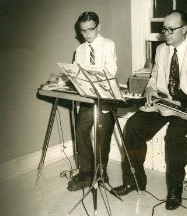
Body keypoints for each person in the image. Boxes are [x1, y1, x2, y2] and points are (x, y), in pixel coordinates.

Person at [113, 10, 187, 210]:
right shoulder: (161, 50)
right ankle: (134, 181)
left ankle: (175, 189)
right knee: (133, 125)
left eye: (172, 29)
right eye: (165, 29)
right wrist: (151, 90)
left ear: (185, 29)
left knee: (174, 137)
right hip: (164, 101)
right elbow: (154, 78)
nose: (167, 33)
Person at [67, 11, 117, 191]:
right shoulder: (79, 50)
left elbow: (110, 71)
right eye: (83, 31)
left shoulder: (108, 45)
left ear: (98, 27)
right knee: (81, 130)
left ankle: (101, 171)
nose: (87, 34)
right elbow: (76, 74)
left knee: (102, 135)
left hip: (104, 98)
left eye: (91, 30)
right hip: (88, 98)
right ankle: (86, 172)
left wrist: (89, 74)